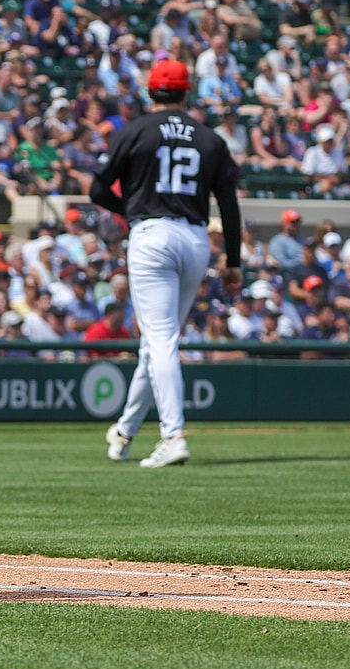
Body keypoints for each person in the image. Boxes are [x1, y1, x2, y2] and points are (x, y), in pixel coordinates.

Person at [91, 59, 241, 468]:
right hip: (195, 240)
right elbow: (228, 203)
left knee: (160, 341)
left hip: (152, 235)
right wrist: (234, 260)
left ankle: (173, 434)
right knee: (158, 343)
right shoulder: (210, 138)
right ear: (185, 92)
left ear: (151, 90)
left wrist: (132, 208)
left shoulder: (135, 130)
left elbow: (96, 188)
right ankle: (124, 431)